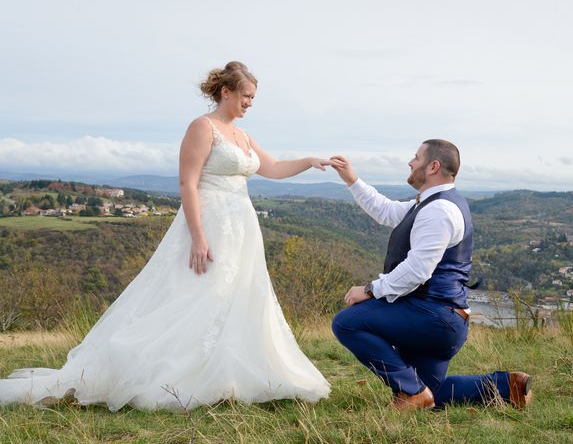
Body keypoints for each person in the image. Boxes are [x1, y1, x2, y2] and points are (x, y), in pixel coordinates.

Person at [0, 61, 335, 411]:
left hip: (243, 228)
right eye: (246, 96)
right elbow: (187, 183)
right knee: (200, 296)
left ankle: (231, 374)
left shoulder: (244, 136)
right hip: (210, 223)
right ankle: (176, 374)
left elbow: (273, 168)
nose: (250, 103)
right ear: (227, 92)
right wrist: (198, 237)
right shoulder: (202, 128)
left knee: (238, 296)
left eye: (253, 98)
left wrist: (310, 161)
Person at [330, 140, 532, 411]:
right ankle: (509, 387)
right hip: (441, 319)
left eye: (416, 157)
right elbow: (386, 211)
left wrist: (368, 290)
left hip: (432, 318)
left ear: (433, 166)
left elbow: (417, 270)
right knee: (432, 394)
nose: (411, 162)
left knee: (347, 323)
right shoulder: (430, 204)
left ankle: (410, 391)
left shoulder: (439, 210)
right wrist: (351, 180)